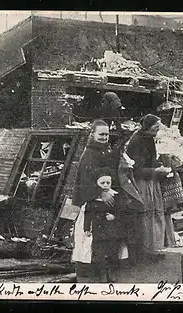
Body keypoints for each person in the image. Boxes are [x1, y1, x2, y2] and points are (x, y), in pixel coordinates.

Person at [122, 114, 176, 261]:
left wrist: (159, 166)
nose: (158, 130)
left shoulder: (149, 138)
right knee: (145, 217)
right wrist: (155, 172)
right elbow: (136, 169)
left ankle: (154, 248)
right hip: (141, 183)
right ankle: (145, 252)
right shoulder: (136, 140)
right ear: (148, 126)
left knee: (155, 216)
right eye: (156, 127)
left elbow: (151, 160)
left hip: (151, 183)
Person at [72, 119, 120, 282]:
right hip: (92, 203)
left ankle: (102, 272)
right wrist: (101, 193)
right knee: (88, 238)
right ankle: (86, 276)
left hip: (101, 203)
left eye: (106, 134)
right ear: (92, 134)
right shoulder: (89, 154)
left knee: (103, 239)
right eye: (101, 134)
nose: (104, 137)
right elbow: (85, 180)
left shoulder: (103, 150)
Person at [83, 167, 122, 282]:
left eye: (108, 183)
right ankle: (102, 273)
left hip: (111, 229)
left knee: (112, 250)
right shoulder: (93, 199)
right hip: (98, 228)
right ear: (97, 183)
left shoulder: (115, 196)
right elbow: (88, 213)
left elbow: (120, 211)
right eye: (102, 183)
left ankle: (111, 271)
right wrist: (86, 228)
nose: (105, 185)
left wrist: (114, 216)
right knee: (99, 251)